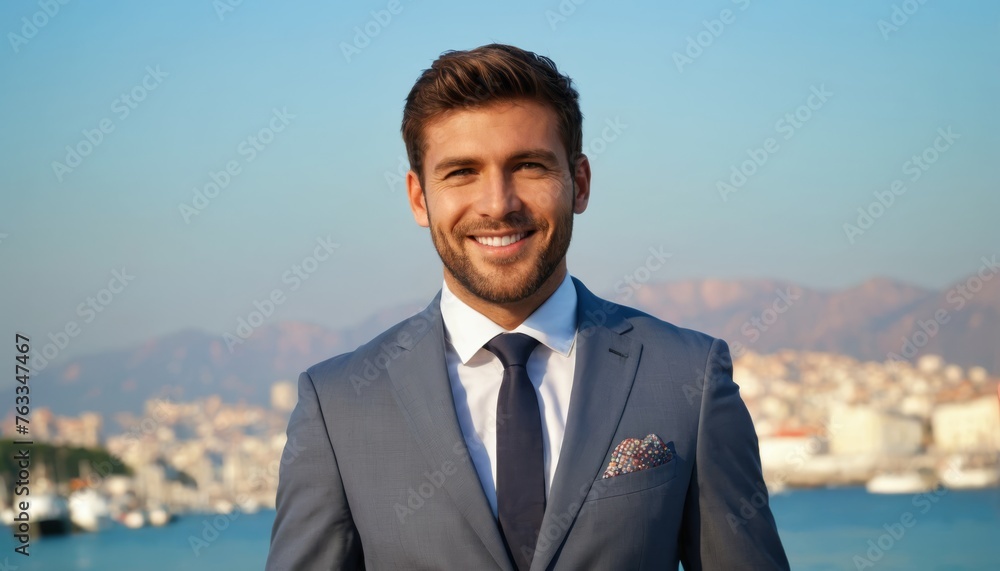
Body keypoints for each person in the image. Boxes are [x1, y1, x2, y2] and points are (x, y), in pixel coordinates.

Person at [265, 43, 789, 570]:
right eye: (462, 172)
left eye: (529, 166)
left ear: (579, 183)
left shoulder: (689, 376)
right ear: (419, 198)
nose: (498, 204)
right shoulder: (337, 406)